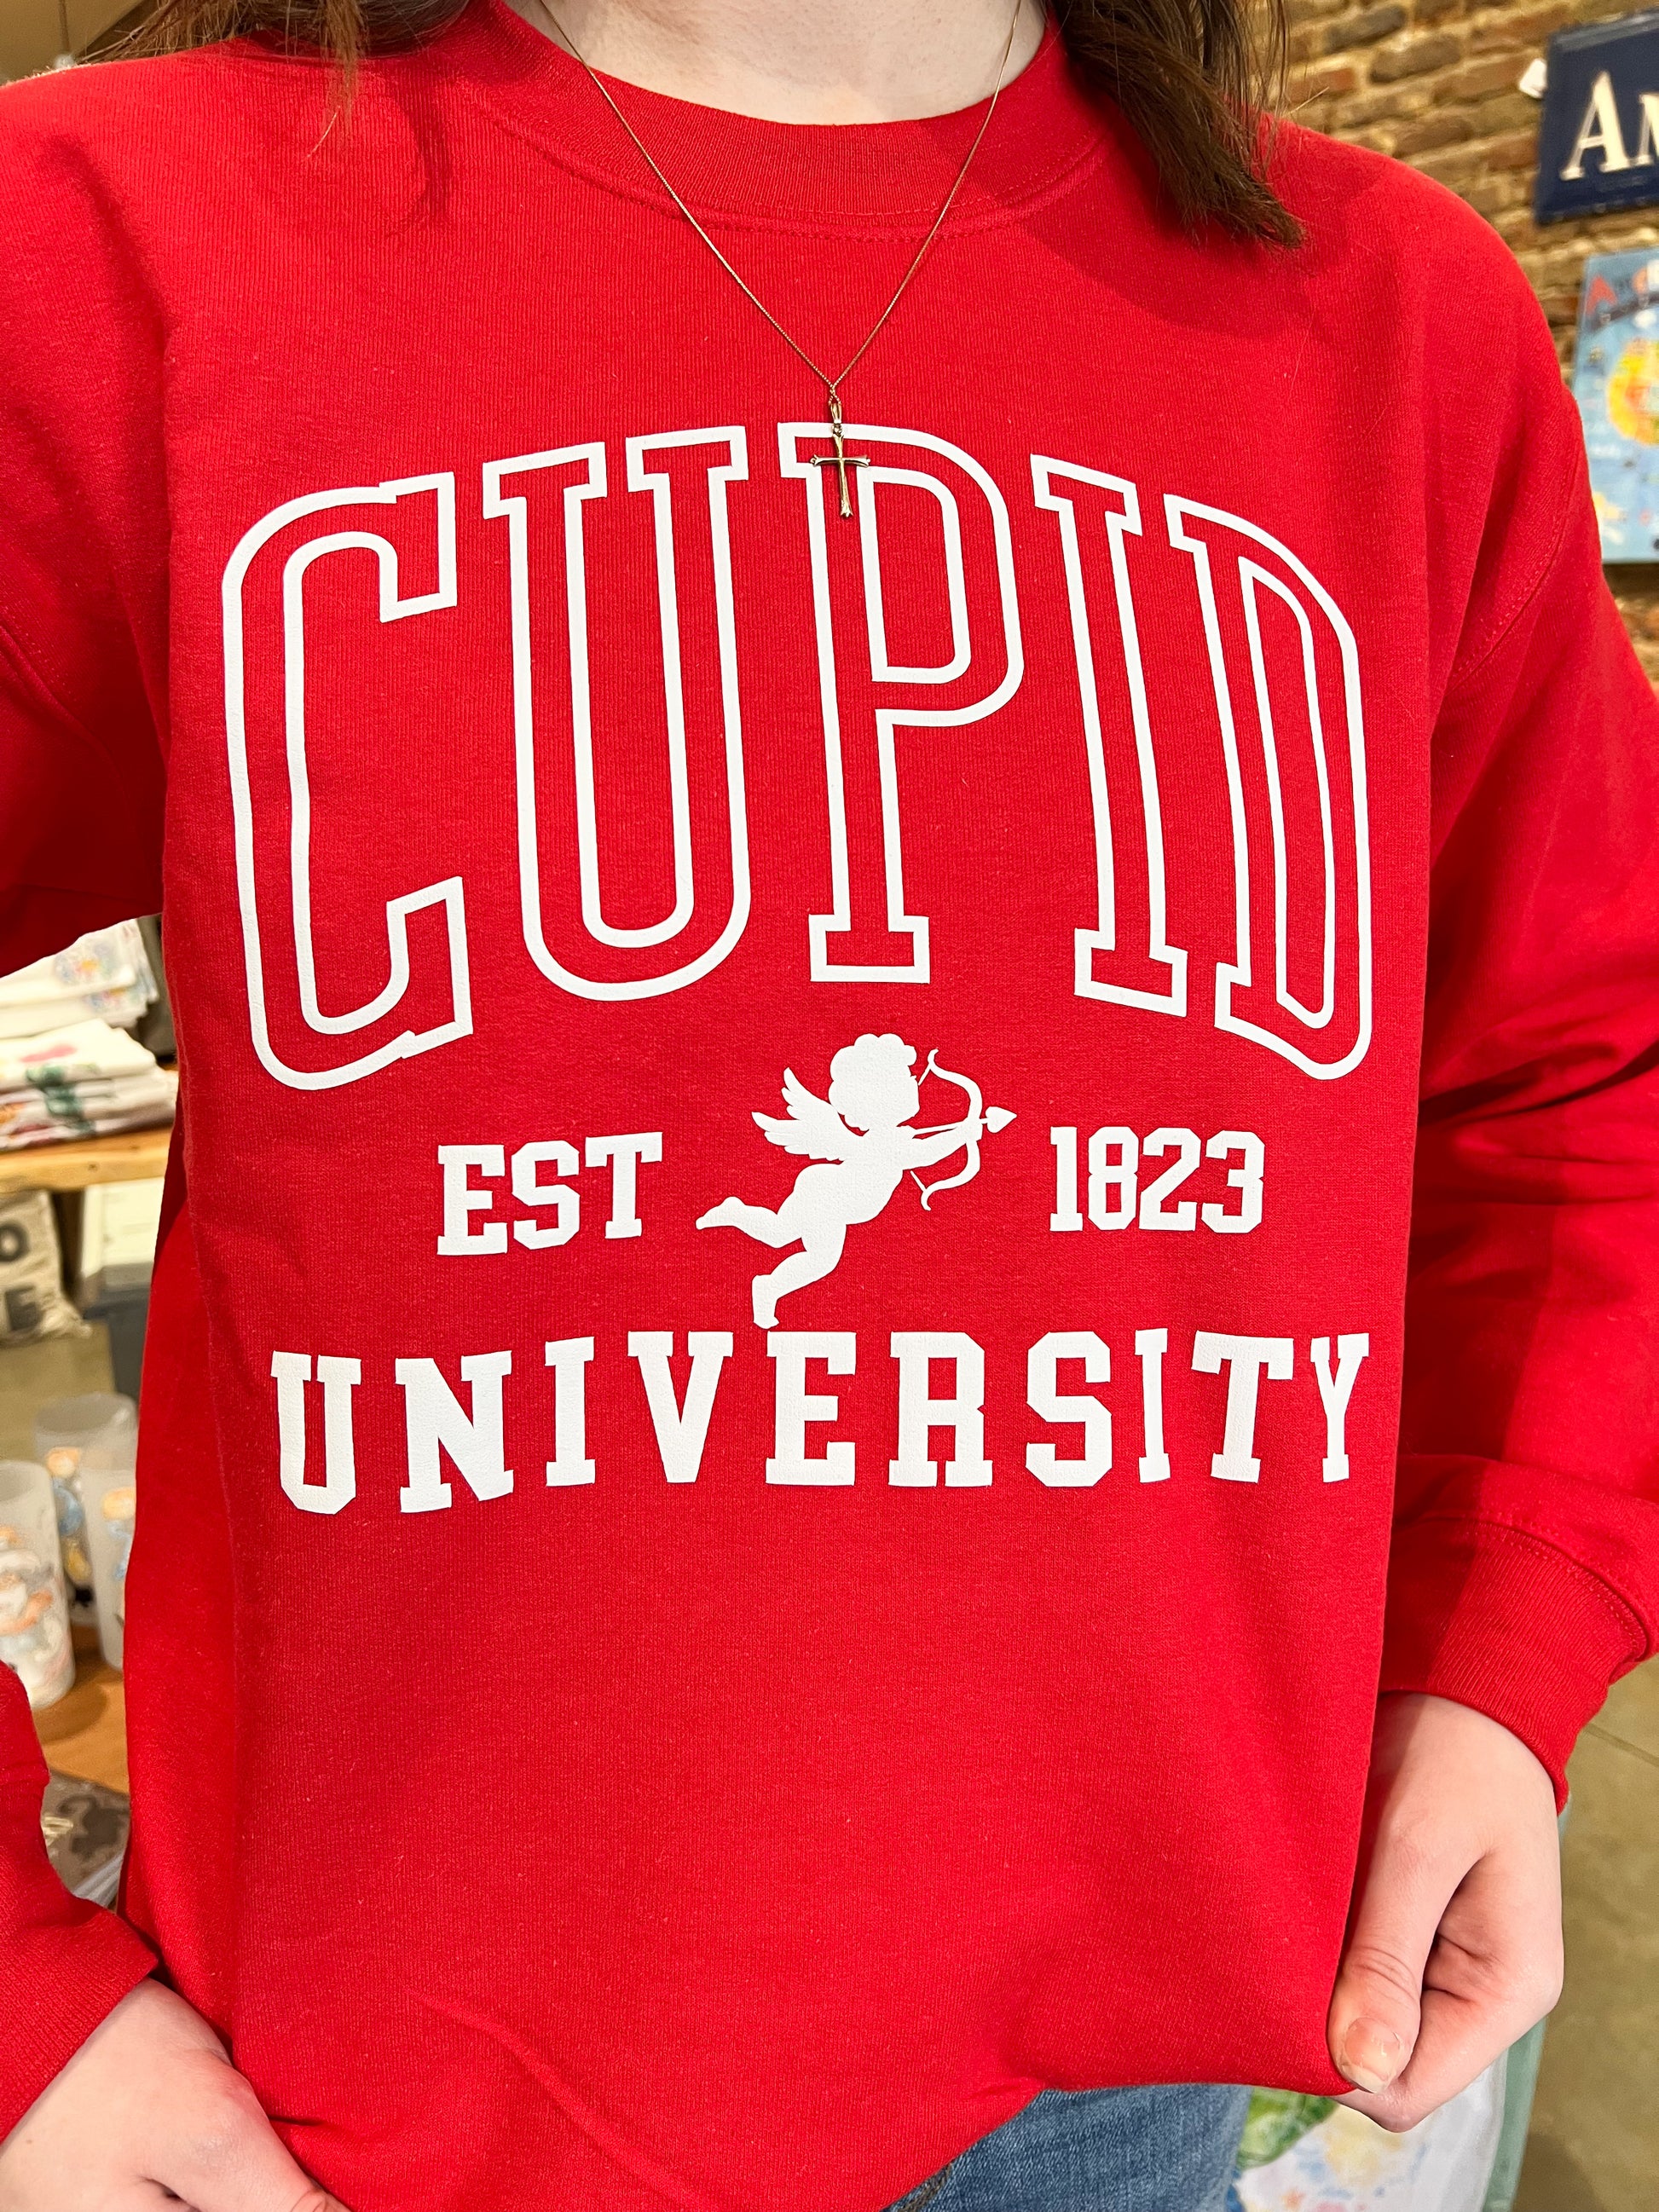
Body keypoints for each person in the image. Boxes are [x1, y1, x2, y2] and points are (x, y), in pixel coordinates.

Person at [0, 0, 1653, 2205]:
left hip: (1126, 2062)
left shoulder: (1395, 324)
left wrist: (1498, 1629)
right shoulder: (105, 240)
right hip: (383, 2106)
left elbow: (1574, 1075)